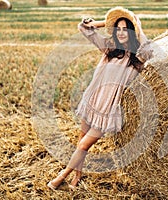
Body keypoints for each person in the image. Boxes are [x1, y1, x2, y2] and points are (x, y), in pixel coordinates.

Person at [47, 6, 151, 190]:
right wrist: (106, 23)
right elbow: (84, 28)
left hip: (107, 109)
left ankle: (61, 175)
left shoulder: (137, 57)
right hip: (92, 101)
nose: (121, 33)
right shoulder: (109, 49)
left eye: (124, 30)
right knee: (81, 142)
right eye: (117, 30)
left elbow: (148, 47)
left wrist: (134, 23)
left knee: (84, 145)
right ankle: (77, 176)